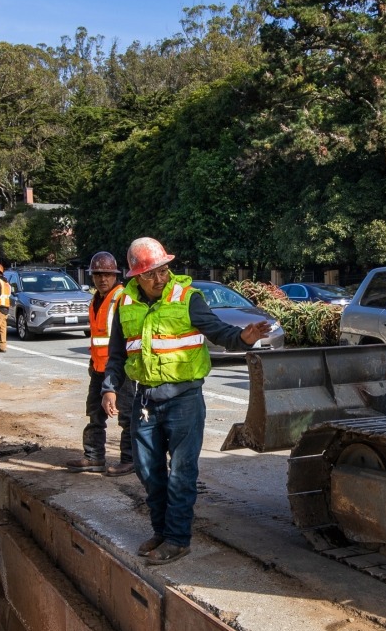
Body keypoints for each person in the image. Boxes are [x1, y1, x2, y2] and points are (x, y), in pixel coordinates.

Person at [101, 238, 275, 565]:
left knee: (181, 472)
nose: (160, 278)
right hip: (145, 400)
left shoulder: (188, 299)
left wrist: (243, 338)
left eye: (164, 270)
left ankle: (178, 539)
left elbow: (218, 331)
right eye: (151, 273)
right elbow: (116, 355)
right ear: (136, 276)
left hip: (184, 400)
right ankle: (161, 531)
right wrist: (109, 387)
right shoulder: (124, 304)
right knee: (147, 471)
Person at [66, 252, 136, 476]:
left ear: (115, 275)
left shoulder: (122, 298)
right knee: (95, 414)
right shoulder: (96, 299)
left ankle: (130, 459)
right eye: (97, 275)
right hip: (98, 368)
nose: (102, 279)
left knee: (126, 415)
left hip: (119, 370)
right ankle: (94, 457)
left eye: (106, 275)